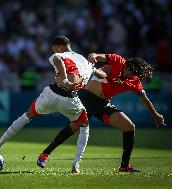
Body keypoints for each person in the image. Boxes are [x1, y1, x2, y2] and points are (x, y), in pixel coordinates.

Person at [0, 36, 107, 173]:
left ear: (60, 47)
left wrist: (66, 79)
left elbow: (57, 59)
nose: (53, 51)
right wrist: (106, 72)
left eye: (53, 48)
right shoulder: (84, 60)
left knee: (27, 116)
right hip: (70, 99)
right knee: (84, 125)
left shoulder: (59, 54)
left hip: (51, 94)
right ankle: (76, 164)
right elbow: (100, 73)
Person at [37, 53, 166, 172]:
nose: (127, 72)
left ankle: (124, 166)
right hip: (87, 98)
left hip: (103, 104)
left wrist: (156, 115)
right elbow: (96, 56)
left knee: (129, 126)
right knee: (73, 128)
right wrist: (93, 58)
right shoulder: (118, 60)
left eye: (131, 72)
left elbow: (145, 99)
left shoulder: (135, 82)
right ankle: (44, 155)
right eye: (127, 68)